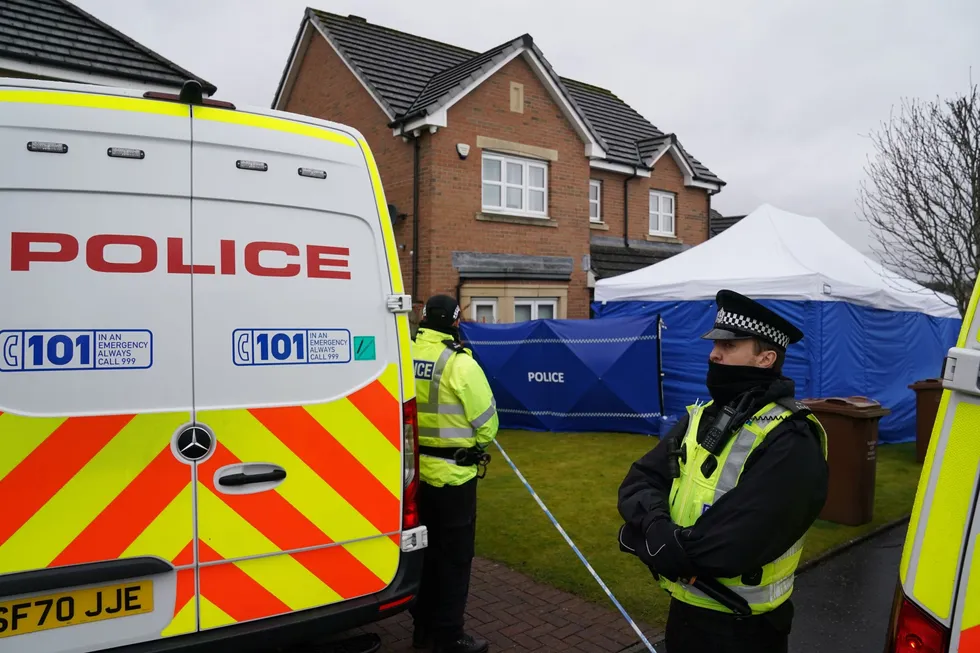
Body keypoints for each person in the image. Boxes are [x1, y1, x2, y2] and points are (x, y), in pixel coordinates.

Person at [616, 289, 829, 653]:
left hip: (744, 628)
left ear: (766, 358)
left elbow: (737, 541)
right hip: (685, 613)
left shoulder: (791, 437)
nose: (714, 354)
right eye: (716, 345)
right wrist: (653, 527)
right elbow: (641, 480)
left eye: (730, 347)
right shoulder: (700, 418)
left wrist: (655, 545)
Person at [410, 294, 499, 653]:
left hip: (415, 477)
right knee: (455, 559)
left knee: (424, 556)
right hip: (453, 477)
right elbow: (488, 425)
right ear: (455, 322)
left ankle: (422, 630)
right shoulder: (461, 364)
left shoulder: (405, 353)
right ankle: (449, 636)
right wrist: (477, 443)